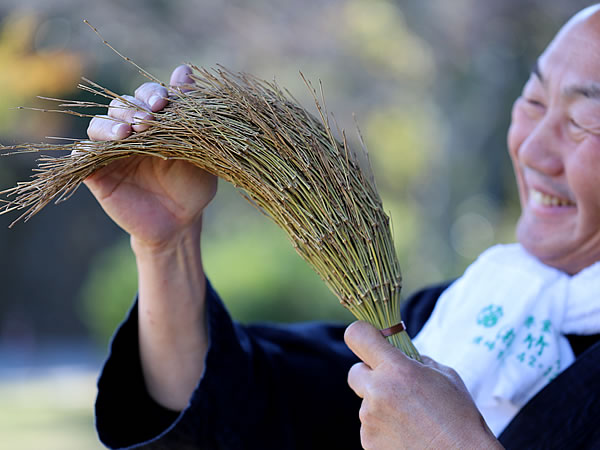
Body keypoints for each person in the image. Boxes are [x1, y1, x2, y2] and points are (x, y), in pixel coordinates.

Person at [88, 5, 600, 449]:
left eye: (585, 121)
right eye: (533, 102)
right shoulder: (460, 313)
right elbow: (251, 411)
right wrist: (167, 244)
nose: (533, 151)